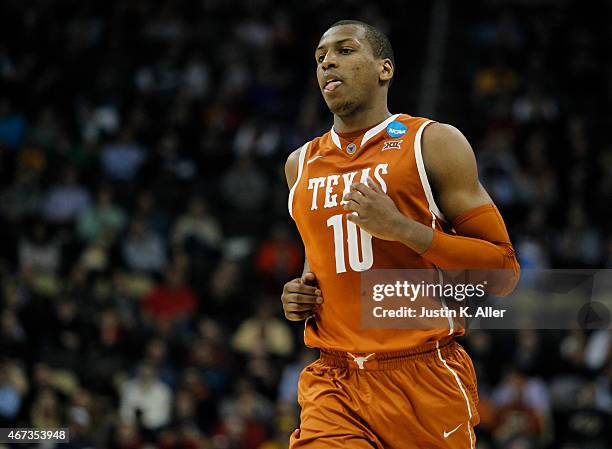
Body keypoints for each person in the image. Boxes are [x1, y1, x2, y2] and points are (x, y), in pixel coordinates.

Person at [281, 20, 520, 449]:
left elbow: (503, 272)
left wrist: (402, 229)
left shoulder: (432, 143)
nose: (328, 61)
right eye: (320, 57)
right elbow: (318, 263)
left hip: (424, 377)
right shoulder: (300, 165)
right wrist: (299, 293)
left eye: (345, 50)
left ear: (384, 68)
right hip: (334, 380)